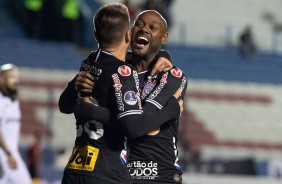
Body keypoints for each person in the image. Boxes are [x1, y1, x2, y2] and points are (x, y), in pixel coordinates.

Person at [60, 8, 188, 183]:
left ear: (164, 38)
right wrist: (75, 88)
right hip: (120, 172)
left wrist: (91, 111)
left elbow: (139, 119)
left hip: (158, 175)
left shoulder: (170, 75)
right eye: (139, 25)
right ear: (129, 34)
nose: (144, 29)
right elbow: (66, 104)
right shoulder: (114, 67)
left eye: (153, 27)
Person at [0, 64, 32, 184]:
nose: (16, 80)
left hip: (11, 154)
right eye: (12, 77)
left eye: (18, 77)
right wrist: (8, 154)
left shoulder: (13, 101)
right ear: (1, 79)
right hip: (4, 155)